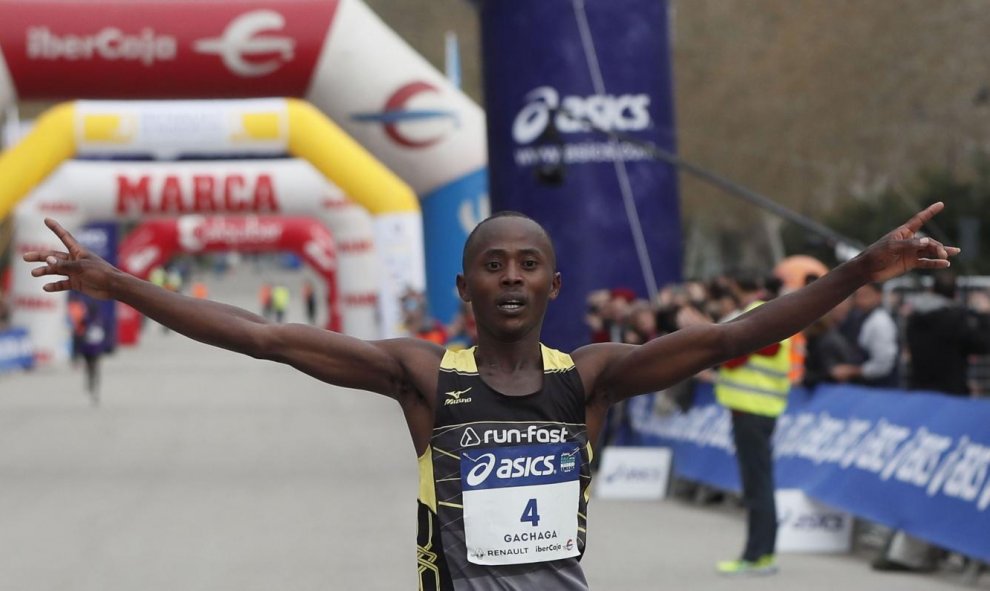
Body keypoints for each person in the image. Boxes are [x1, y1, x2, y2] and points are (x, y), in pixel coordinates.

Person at [23, 205, 955, 589]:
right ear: (465, 289)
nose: (511, 276)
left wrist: (863, 266)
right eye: (492, 265)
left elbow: (732, 336)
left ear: (553, 284)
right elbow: (266, 337)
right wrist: (119, 283)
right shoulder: (424, 377)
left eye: (529, 264)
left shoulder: (592, 376)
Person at [713, 273, 792, 576]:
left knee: (757, 486)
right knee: (758, 484)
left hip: (753, 411)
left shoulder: (760, 316)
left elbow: (732, 358)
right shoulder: (771, 315)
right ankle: (760, 553)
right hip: (756, 410)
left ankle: (757, 555)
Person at [830, 282, 900, 387]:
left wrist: (851, 371)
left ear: (878, 296)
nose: (860, 300)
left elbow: (882, 366)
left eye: (865, 295)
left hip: (879, 388)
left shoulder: (879, 323)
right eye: (858, 295)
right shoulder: (859, 317)